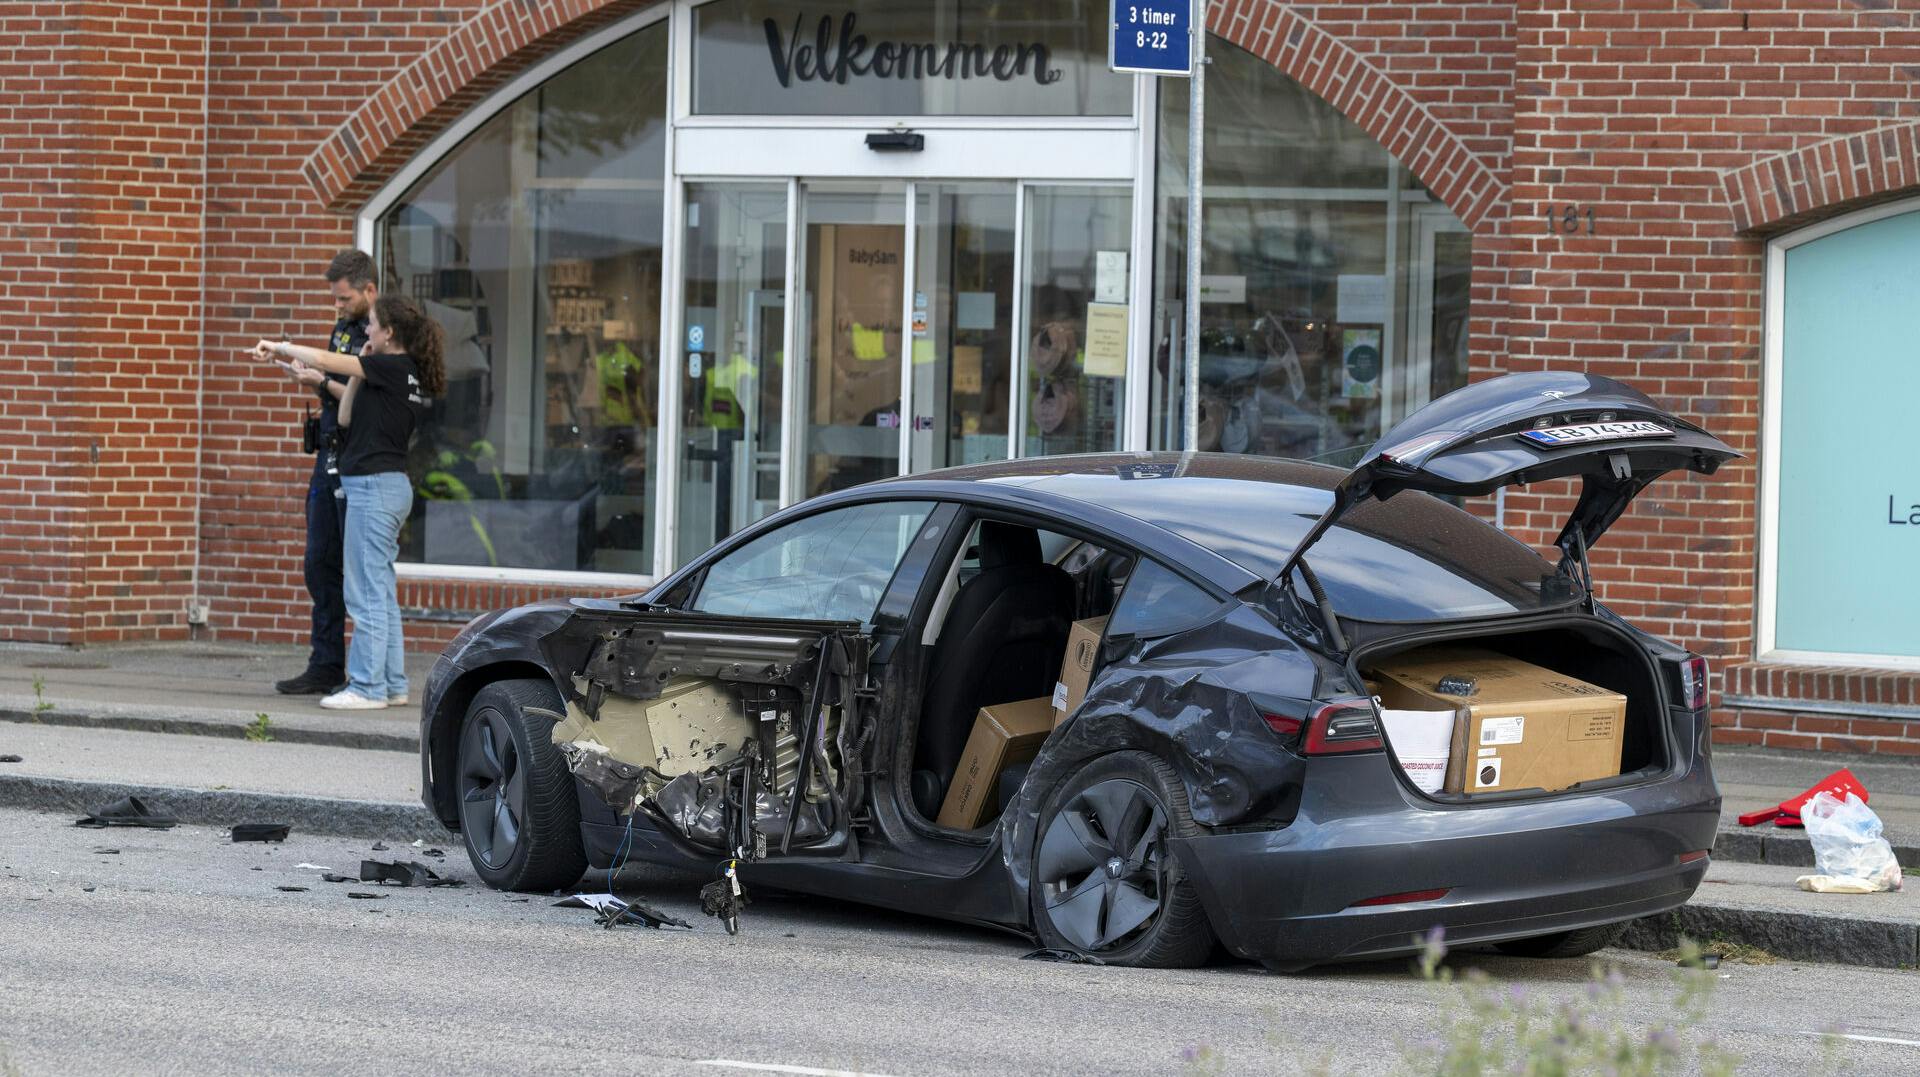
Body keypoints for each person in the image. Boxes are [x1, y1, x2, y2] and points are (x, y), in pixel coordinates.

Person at [252, 295, 445, 710]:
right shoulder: (391, 371)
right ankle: (391, 684)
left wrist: (280, 346)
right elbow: (344, 417)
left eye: (372, 324)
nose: (367, 330)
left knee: (364, 593)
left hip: (374, 488)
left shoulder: (394, 366)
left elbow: (324, 360)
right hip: (382, 487)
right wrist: (360, 363)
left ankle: (367, 686)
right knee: (380, 590)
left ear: (389, 332)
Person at [273, 250, 376, 695]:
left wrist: (316, 381)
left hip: (357, 460)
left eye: (344, 298)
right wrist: (310, 374)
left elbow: (369, 395)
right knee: (319, 563)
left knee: (357, 572)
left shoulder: (379, 334)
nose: (338, 306)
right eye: (335, 299)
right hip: (328, 454)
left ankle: (365, 673)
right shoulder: (343, 329)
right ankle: (326, 662)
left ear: (369, 291)